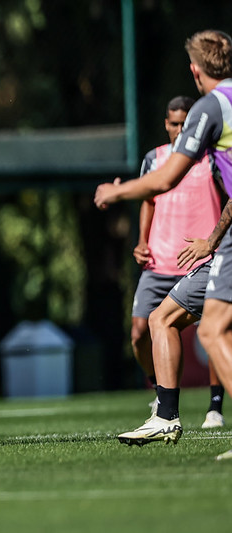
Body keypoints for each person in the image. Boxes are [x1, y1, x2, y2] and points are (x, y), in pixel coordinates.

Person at [94, 29, 232, 459]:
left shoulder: (211, 107)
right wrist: (213, 236)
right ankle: (165, 417)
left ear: (195, 71)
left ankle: (171, 415)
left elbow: (166, 177)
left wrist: (116, 192)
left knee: (209, 330)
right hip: (220, 245)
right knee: (162, 318)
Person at [126, 96, 225, 422]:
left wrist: (215, 242)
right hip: (160, 260)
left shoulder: (212, 157)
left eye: (185, 123)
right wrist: (142, 241)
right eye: (174, 123)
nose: (180, 129)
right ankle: (161, 391)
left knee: (212, 330)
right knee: (140, 332)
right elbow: (149, 200)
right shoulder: (154, 158)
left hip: (201, 258)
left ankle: (214, 407)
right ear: (165, 124)